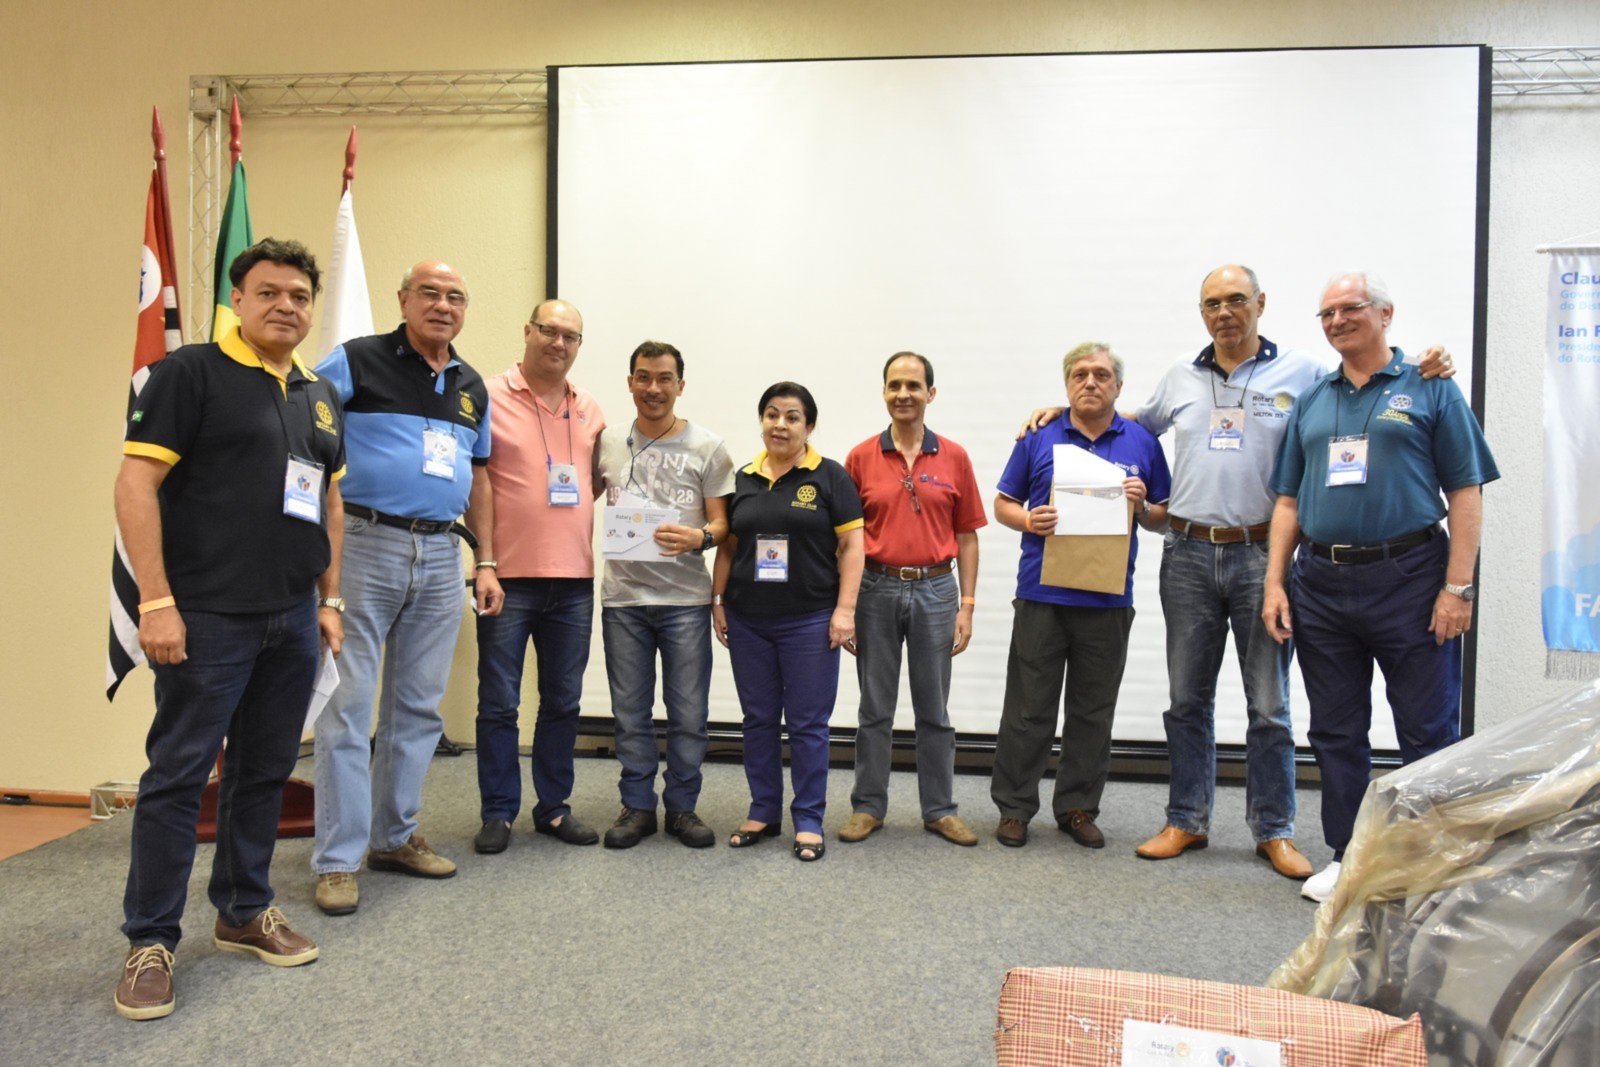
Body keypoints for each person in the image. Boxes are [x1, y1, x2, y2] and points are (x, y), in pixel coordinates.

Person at [113, 238, 343, 1020]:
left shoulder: (319, 392)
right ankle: (150, 939)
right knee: (179, 776)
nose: (286, 305)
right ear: (237, 300)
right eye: (268, 292)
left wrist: (331, 600)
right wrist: (155, 601)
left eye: (300, 296)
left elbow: (329, 502)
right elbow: (136, 483)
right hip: (206, 616)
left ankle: (244, 909)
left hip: (293, 616)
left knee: (264, 771)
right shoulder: (190, 374)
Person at [1262, 271, 1498, 903]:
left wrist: (1458, 589)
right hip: (1320, 583)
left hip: (1411, 579)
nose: (1337, 320)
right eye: (1327, 313)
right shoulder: (1315, 398)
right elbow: (1288, 500)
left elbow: (1466, 491)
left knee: (1427, 728)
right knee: (1336, 730)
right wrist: (1275, 583)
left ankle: (1427, 861)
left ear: (1385, 314)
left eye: (1351, 308)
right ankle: (1350, 855)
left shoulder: (1431, 384)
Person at [310, 261, 496, 915]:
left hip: (443, 552)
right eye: (430, 293)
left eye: (456, 296)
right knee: (348, 706)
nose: (443, 305)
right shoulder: (355, 360)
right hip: (365, 543)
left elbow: (480, 477)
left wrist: (488, 560)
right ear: (403, 300)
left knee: (417, 708)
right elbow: (305, 428)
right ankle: (338, 859)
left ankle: (392, 837)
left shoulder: (471, 384)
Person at [991, 343, 1170, 849]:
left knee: (1093, 712)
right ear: (1067, 383)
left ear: (1119, 386)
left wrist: (1143, 507)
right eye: (1080, 374)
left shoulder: (1142, 441)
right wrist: (1029, 520)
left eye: (1102, 374)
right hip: (1042, 596)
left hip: (1108, 602)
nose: (1090, 382)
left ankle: (1077, 808)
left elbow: (1165, 518)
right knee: (1028, 709)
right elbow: (1003, 504)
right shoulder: (1038, 435)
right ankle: (1014, 809)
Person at [837, 352, 986, 848]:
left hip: (937, 590)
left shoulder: (955, 457)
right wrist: (846, 605)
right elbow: (846, 541)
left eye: (914, 386)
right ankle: (867, 807)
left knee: (934, 711)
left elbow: (967, 536)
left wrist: (967, 605)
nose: (904, 394)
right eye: (895, 385)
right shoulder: (860, 458)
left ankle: (939, 810)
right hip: (875, 589)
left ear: (930, 394)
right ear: (884, 392)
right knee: (874, 709)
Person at [473, 299, 606, 853]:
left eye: (570, 336)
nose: (558, 343)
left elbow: (595, 484)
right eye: (549, 331)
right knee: (499, 702)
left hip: (573, 582)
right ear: (527, 331)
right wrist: (484, 562)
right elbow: (476, 480)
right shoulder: (486, 395)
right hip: (506, 578)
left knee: (563, 702)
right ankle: (498, 812)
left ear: (579, 346)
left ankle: (553, 808)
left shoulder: (590, 408)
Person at [712, 382, 864, 861]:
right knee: (757, 720)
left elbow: (853, 548)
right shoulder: (742, 479)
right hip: (748, 619)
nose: (780, 424)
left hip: (809, 620)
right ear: (762, 421)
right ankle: (763, 810)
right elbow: (728, 547)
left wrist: (845, 610)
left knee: (808, 724)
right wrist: (718, 600)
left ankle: (809, 818)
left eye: (792, 416)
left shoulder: (830, 477)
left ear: (809, 426)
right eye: (772, 414)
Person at [596, 341, 735, 849]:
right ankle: (637, 807)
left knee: (689, 714)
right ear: (630, 382)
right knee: (629, 714)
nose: (653, 388)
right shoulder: (607, 441)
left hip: (685, 601)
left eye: (663, 378)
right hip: (623, 600)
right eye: (643, 377)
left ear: (680, 385)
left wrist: (701, 537)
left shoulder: (709, 447)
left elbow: (723, 524)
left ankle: (681, 808)